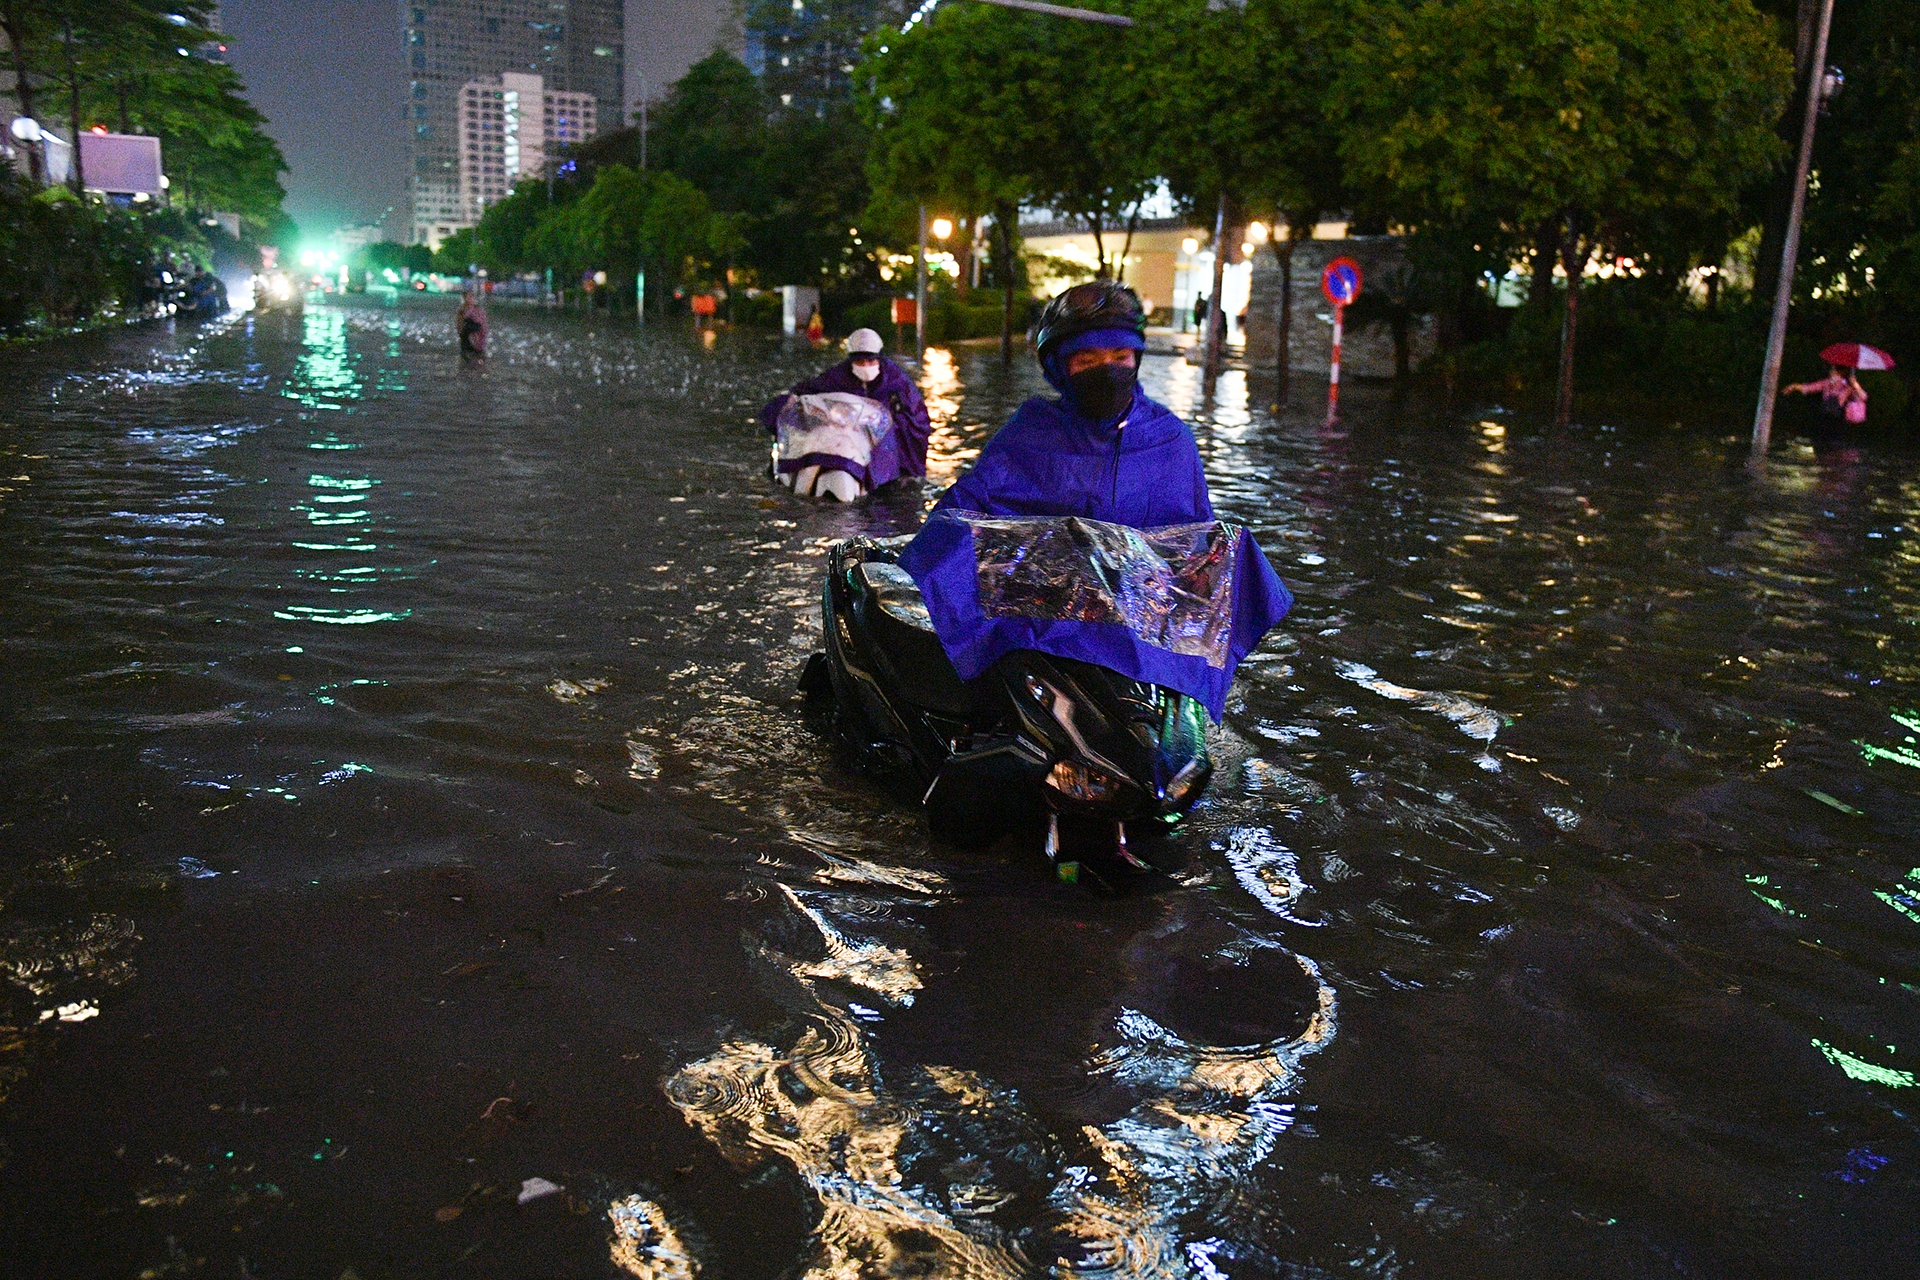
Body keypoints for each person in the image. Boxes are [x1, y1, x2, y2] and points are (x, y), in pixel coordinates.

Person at [897, 280, 1291, 720]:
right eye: (1088, 360)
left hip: (1141, 630)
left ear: (1136, 359)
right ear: (1060, 367)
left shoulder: (1169, 439)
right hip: (1046, 627)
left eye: (1120, 358)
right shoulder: (1031, 432)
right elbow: (970, 507)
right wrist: (941, 542)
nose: (1107, 370)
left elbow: (1193, 540)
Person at [761, 327, 931, 498]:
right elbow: (806, 392)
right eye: (859, 361)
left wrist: (896, 423)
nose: (865, 366)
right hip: (842, 434)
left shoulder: (896, 381)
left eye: (870, 361)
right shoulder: (838, 376)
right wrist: (787, 405)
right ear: (851, 360)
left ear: (879, 358)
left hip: (877, 439)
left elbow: (916, 417)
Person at [1783, 365, 1866, 423]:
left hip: (1838, 419)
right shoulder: (1826, 383)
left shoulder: (1848, 386)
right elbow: (1809, 387)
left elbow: (1863, 397)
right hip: (1824, 416)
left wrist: (1854, 384)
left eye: (1833, 370)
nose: (1831, 372)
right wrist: (1794, 386)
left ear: (1840, 372)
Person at [455, 290, 489, 357]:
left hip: (476, 330)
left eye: (470, 297)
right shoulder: (462, 309)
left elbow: (482, 324)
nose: (468, 299)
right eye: (466, 297)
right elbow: (459, 322)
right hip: (467, 332)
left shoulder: (478, 309)